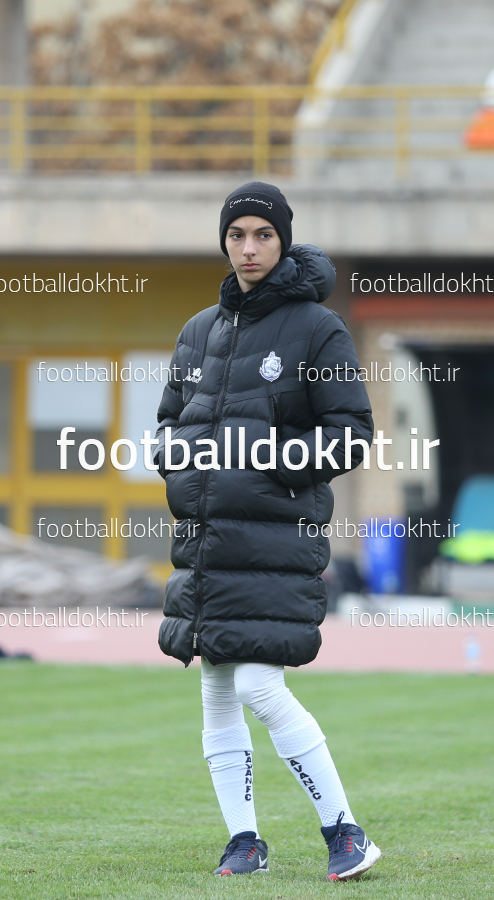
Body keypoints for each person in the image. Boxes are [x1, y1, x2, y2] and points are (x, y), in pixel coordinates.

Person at [154, 181, 379, 881]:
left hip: (275, 542)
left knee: (257, 682)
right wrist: (178, 462)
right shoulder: (198, 331)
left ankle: (345, 830)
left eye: (263, 234)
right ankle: (244, 842)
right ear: (224, 242)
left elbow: (351, 431)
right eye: (236, 235)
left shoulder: (318, 328)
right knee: (218, 688)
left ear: (283, 240)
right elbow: (167, 424)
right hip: (207, 543)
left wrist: (271, 464)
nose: (248, 248)